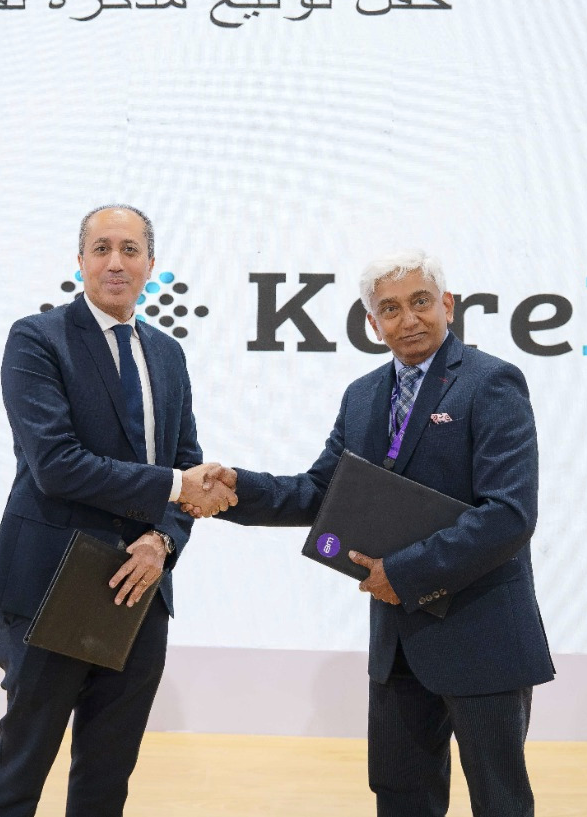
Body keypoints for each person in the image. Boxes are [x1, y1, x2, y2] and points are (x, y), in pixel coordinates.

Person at [197, 250, 553, 817]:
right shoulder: (362, 395)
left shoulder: (491, 382)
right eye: (390, 309)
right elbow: (323, 492)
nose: (408, 319)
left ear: (448, 305)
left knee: (499, 801)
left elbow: (508, 514)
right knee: (399, 796)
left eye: (420, 302)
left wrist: (404, 573)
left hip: (481, 632)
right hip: (398, 642)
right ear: (372, 323)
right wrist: (239, 490)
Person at [0, 205, 236, 817]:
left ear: (150, 264)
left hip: (140, 588)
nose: (115, 262)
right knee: (19, 770)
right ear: (80, 261)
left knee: (107, 778)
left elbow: (186, 461)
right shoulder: (37, 339)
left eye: (130, 249)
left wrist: (162, 542)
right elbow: (57, 465)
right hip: (50, 582)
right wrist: (178, 487)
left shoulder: (167, 354)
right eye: (101, 248)